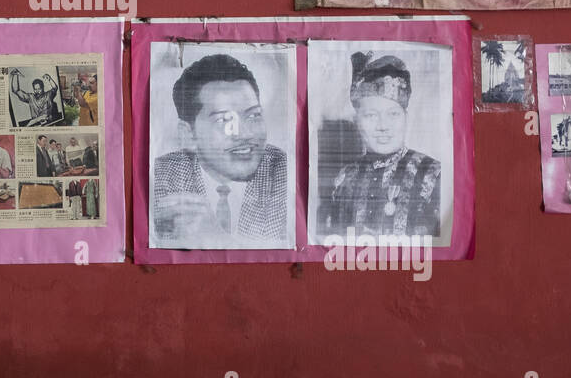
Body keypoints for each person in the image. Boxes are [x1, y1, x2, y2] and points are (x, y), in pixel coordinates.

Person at [152, 54, 290, 245]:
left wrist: (214, 237)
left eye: (253, 116)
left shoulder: (283, 172)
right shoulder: (160, 177)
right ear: (188, 135)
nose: (245, 134)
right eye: (224, 120)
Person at [324, 53, 442, 237]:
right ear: (357, 121)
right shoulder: (344, 179)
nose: (383, 126)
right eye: (371, 115)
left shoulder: (433, 174)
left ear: (406, 117)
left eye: (393, 114)